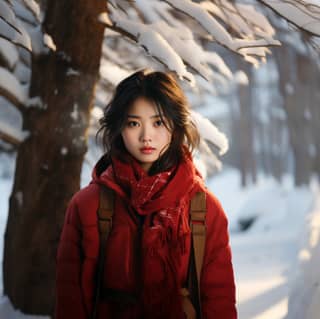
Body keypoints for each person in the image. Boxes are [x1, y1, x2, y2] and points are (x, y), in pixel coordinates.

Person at [55, 69, 237, 319]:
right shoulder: (88, 206)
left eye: (158, 122)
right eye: (133, 123)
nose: (146, 136)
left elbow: (219, 302)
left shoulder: (204, 209)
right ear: (119, 128)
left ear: (175, 125)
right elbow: (71, 303)